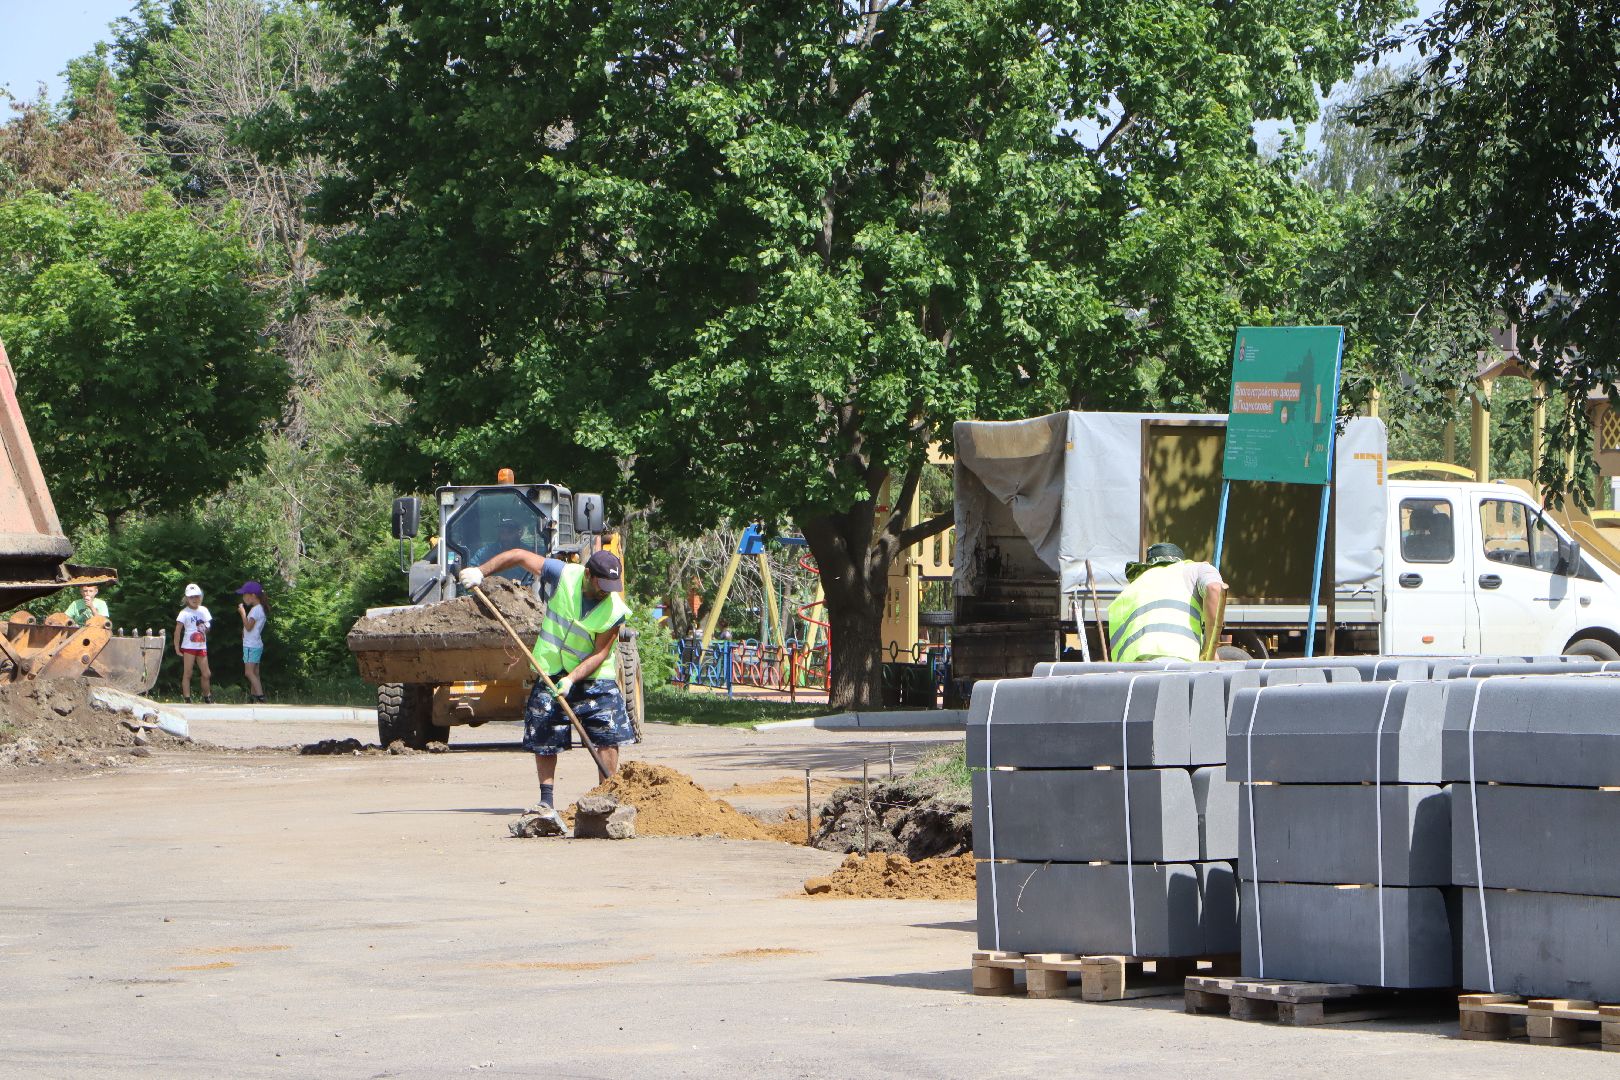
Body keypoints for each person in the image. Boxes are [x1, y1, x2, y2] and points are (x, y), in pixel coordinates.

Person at [458, 549, 633, 822]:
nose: (607, 592)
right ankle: (546, 802)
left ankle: (606, 799)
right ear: (588, 574)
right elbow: (517, 555)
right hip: (550, 668)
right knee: (544, 732)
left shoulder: (615, 610)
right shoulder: (564, 574)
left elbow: (600, 654)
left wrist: (572, 679)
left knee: (607, 733)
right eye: (603, 585)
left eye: (612, 587)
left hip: (595, 675)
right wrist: (481, 572)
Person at [1107, 542, 1226, 663]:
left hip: (1132, 670)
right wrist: (1210, 649)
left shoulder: (1131, 588)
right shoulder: (1194, 569)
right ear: (1180, 560)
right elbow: (1214, 588)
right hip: (1174, 661)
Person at [175, 583, 213, 704]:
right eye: (191, 597)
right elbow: (178, 630)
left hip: (201, 646)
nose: (194, 599)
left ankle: (207, 697)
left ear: (200, 597)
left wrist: (206, 628)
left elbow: (208, 626)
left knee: (206, 673)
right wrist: (177, 647)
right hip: (189, 646)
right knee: (188, 673)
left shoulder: (204, 610)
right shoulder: (184, 613)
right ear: (187, 599)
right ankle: (187, 698)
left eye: (197, 596)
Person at [236, 581, 268, 703]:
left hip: (251, 645)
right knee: (255, 672)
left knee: (249, 673)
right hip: (256, 644)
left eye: (245, 594)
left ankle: (260, 697)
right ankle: (253, 697)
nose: (243, 597)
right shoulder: (260, 609)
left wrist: (243, 614)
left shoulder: (255, 610)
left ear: (253, 595)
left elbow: (249, 627)